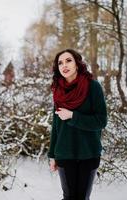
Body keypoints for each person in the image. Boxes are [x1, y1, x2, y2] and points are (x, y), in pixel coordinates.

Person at [48, 49, 107, 200]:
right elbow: (56, 126)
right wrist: (52, 155)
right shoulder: (58, 91)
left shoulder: (93, 87)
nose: (64, 65)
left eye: (68, 60)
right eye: (60, 63)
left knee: (82, 198)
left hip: (88, 153)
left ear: (77, 64)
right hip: (64, 153)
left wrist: (73, 116)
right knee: (68, 197)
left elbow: (101, 121)